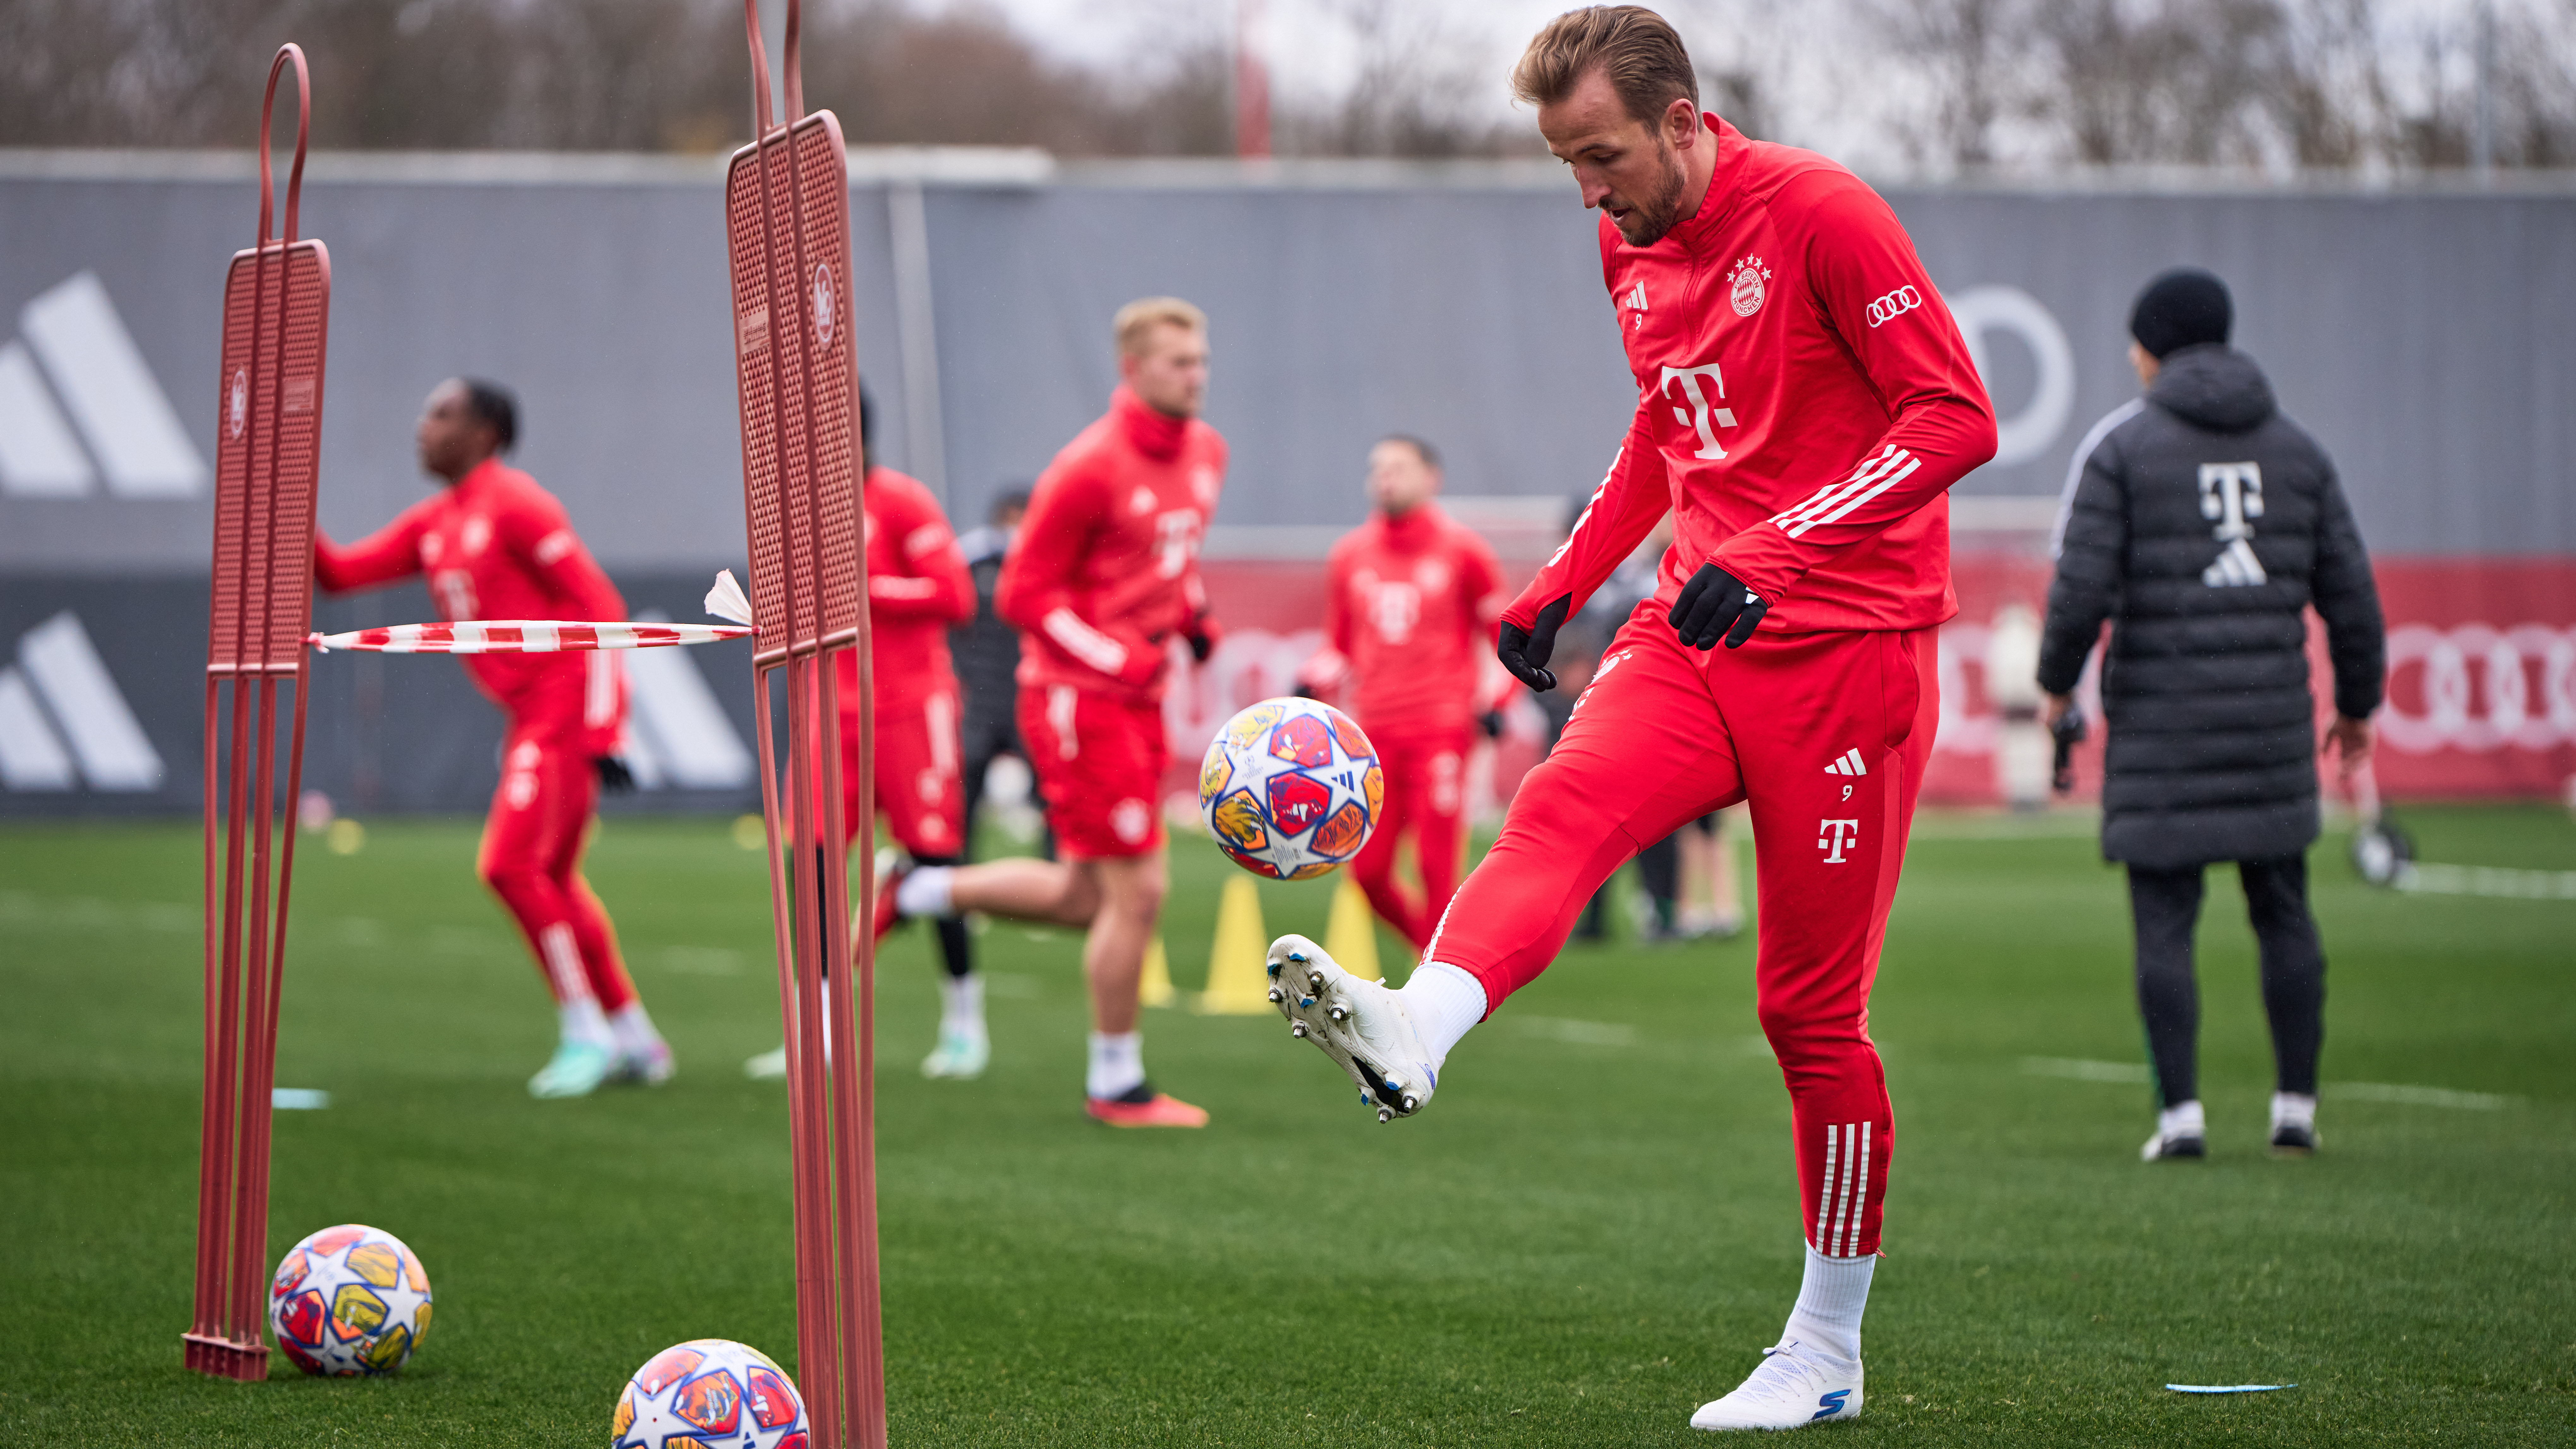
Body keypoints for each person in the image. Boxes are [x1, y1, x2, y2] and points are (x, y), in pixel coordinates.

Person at [1262, 8, 1997, 1432]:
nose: (1587, 192)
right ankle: (1416, 1023)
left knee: (1808, 1016)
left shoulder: (1823, 215)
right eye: (1564, 165)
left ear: (1680, 120)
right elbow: (1669, 429)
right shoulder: (1623, 238)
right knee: (1557, 808)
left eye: (1599, 156)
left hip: (1844, 651)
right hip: (1692, 628)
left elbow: (1952, 419)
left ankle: (1826, 1348)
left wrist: (1773, 554)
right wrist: (1561, 585)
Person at [2037, 266, 2385, 1163]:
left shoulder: (2122, 451)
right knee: (2283, 909)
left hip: (2159, 723)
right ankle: (2295, 1109)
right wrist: (2353, 709)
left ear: (2151, 349)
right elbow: (2351, 597)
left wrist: (2053, 684)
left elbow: (2078, 590)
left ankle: (2180, 1117)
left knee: (2163, 919)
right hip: (2268, 720)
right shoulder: (2298, 450)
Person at [874, 298, 1225, 1128]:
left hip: (1137, 699)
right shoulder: (1088, 467)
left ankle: (918, 886)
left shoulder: (1207, 451)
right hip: (1078, 700)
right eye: (1178, 362)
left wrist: (1194, 617)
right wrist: (1114, 654)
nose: (1196, 374)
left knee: (1083, 898)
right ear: (1132, 369)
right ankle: (1115, 1081)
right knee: (1137, 891)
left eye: (1201, 359)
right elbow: (1026, 593)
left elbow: (1168, 562)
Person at [314, 378, 672, 1099]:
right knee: (556, 881)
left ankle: (587, 1032)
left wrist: (607, 724)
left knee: (509, 866)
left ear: (485, 433)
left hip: (563, 704)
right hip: (529, 714)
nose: (422, 427)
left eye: (440, 414)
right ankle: (635, 1036)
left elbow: (601, 607)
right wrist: (285, 511)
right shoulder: (434, 522)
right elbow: (340, 575)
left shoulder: (518, 503)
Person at [745, 390, 983, 1082]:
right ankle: (814, 1033)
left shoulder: (901, 501)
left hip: (912, 706)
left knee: (940, 863)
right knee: (810, 863)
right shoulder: (795, 516)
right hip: (829, 710)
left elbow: (955, 596)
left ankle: (964, 1023)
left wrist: (865, 588)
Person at [1298, 436, 1505, 951]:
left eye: (1398, 467)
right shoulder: (1349, 555)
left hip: (1440, 730)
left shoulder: (1464, 552)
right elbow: (1338, 646)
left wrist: (1495, 704)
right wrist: (1309, 684)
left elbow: (1505, 640)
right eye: (1378, 468)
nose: (1385, 477)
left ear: (1430, 478)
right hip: (1370, 737)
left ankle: (1434, 993)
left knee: (1437, 869)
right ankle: (1441, 963)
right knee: (1364, 873)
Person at [952, 488, 1034, 855]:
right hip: (979, 700)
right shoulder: (970, 559)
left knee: (1050, 794)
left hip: (1027, 696)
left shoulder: (1042, 561)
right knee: (963, 796)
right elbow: (950, 622)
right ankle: (953, 883)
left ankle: (1057, 880)